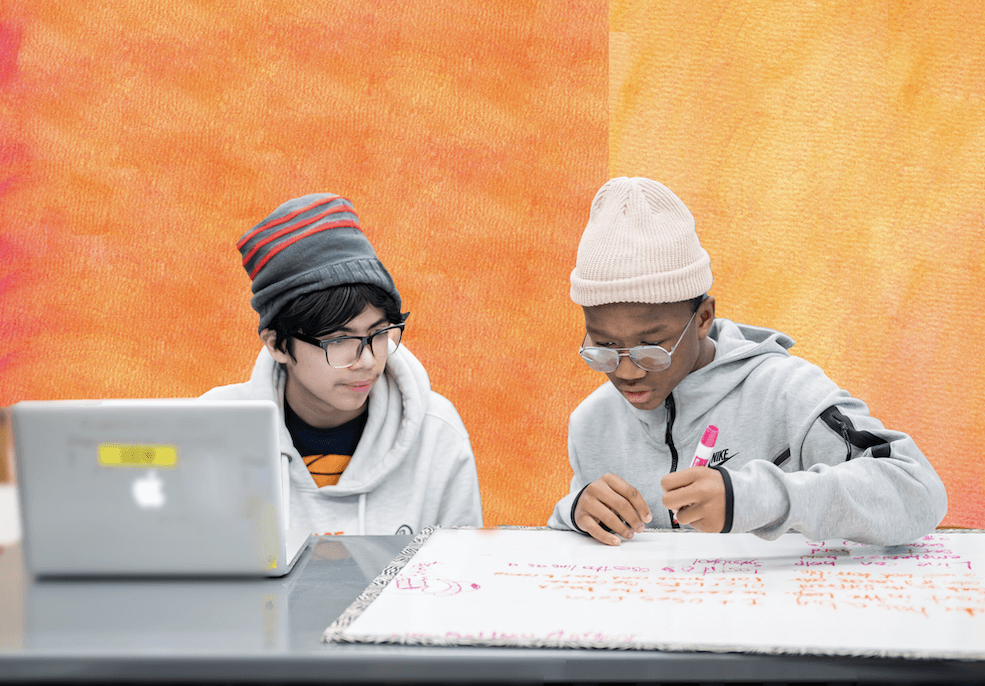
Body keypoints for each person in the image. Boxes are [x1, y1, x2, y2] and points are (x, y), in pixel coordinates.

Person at [547, 177, 946, 546]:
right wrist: (575, 511)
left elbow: (918, 492)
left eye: (652, 347)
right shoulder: (591, 423)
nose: (627, 371)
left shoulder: (787, 392)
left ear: (703, 318)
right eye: (604, 347)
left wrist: (761, 498)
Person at [204, 193, 483, 536]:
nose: (367, 361)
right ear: (276, 344)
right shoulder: (212, 430)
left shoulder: (437, 432)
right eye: (339, 341)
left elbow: (462, 575)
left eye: (379, 334)